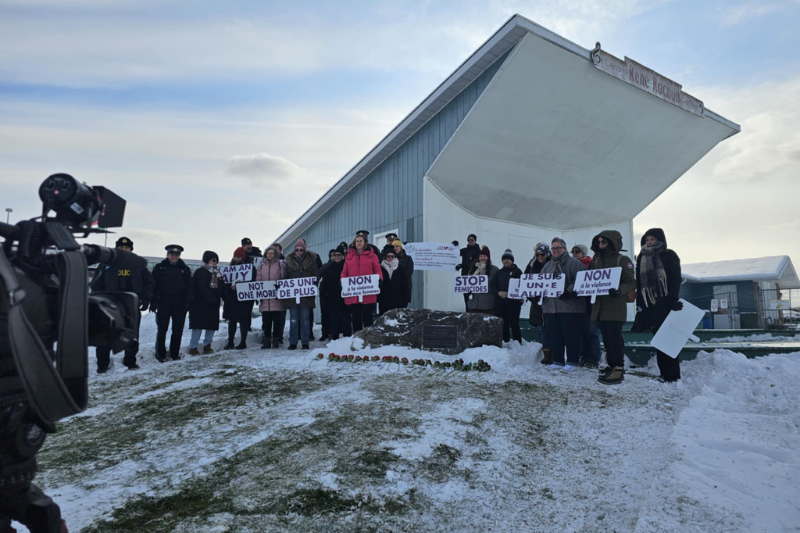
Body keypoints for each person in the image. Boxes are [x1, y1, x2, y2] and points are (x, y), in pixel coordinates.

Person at [91, 236, 153, 372]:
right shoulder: (106, 264)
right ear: (117, 249)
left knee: (132, 334)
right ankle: (103, 364)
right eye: (121, 248)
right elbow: (96, 284)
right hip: (110, 305)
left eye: (126, 248)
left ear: (131, 249)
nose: (124, 250)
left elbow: (148, 283)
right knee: (105, 333)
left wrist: (146, 299)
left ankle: (130, 361)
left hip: (131, 305)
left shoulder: (138, 265)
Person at [632, 228, 683, 382]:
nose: (649, 242)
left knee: (668, 340)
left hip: (666, 303)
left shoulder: (668, 255)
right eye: (647, 240)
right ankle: (663, 373)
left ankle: (672, 375)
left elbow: (675, 278)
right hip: (650, 305)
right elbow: (640, 282)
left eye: (652, 239)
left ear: (660, 240)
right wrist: (640, 304)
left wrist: (673, 299)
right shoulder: (642, 257)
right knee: (659, 339)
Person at [589, 231, 637, 385]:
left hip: (615, 307)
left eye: (604, 242)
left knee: (615, 338)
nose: (601, 244)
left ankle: (618, 368)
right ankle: (611, 366)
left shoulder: (622, 260)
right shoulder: (596, 261)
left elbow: (630, 281)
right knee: (607, 339)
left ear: (612, 242)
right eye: (599, 242)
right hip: (599, 308)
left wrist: (619, 290)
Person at [541, 237, 587, 371]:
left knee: (570, 334)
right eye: (553, 248)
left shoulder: (574, 263)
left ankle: (572, 361)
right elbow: (541, 281)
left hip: (569, 307)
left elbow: (581, 279)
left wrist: (569, 291)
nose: (555, 250)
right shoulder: (548, 265)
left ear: (564, 249)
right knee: (554, 335)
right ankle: (558, 360)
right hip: (550, 307)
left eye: (558, 248)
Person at [151, 244, 194, 362]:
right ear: (167, 255)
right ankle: (160, 354)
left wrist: (187, 303)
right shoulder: (159, 268)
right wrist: (153, 301)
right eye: (172, 255)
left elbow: (190, 287)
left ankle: (174, 353)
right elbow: (153, 286)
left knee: (177, 329)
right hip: (164, 301)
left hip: (179, 302)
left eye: (176, 255)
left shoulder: (185, 269)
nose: (174, 257)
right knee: (162, 329)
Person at [281, 239, 319, 350]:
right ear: (294, 250)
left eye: (301, 250)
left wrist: (314, 281)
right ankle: (293, 342)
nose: (299, 251)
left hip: (306, 296)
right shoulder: (288, 262)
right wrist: (281, 285)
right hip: (292, 296)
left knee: (305, 319)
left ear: (304, 249)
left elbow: (316, 274)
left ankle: (305, 342)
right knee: (293, 319)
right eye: (297, 249)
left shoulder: (312, 261)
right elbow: (285, 277)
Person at [342, 233, 382, 332]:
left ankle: (368, 337)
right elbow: (344, 271)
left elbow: (377, 269)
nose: (359, 243)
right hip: (354, 291)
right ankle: (357, 337)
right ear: (354, 243)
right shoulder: (349, 256)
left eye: (361, 241)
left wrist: (379, 279)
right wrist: (342, 281)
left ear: (365, 243)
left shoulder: (372, 256)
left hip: (367, 291)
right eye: (357, 241)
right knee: (355, 316)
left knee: (367, 316)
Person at [188, 251, 224, 356]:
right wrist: (211, 298)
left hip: (213, 305)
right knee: (198, 327)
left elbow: (221, 287)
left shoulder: (218, 273)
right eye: (213, 260)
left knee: (211, 327)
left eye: (217, 260)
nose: (215, 262)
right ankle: (193, 347)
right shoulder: (200, 272)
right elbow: (201, 287)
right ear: (207, 260)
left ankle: (207, 345)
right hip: (200, 304)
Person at [572, 243, 602, 368]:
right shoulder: (572, 266)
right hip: (577, 303)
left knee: (592, 332)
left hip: (590, 303)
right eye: (573, 252)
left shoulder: (590, 264)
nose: (574, 254)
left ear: (583, 253)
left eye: (577, 252)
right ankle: (583, 356)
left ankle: (594, 357)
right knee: (581, 332)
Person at [222, 247, 255, 350]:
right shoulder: (230, 267)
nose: (236, 258)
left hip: (244, 299)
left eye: (238, 256)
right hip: (232, 298)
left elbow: (252, 282)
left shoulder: (250, 267)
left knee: (243, 319)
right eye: (235, 256)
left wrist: (239, 286)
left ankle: (243, 342)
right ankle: (230, 341)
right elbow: (226, 281)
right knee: (232, 320)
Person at [524, 243, 551, 364]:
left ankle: (555, 353)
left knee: (552, 329)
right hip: (536, 303)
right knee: (542, 329)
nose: (540, 256)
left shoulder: (552, 264)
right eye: (538, 254)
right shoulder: (532, 264)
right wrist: (531, 297)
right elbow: (525, 281)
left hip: (550, 302)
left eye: (543, 254)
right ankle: (547, 354)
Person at [489, 249, 523, 343]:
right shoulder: (499, 272)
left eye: (508, 259)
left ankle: (517, 342)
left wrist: (509, 293)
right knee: (503, 324)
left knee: (514, 323)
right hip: (500, 302)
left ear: (512, 260)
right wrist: (498, 293)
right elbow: (493, 285)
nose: (506, 261)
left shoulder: (517, 271)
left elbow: (521, 285)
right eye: (504, 259)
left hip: (513, 303)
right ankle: (505, 341)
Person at [256, 246, 285, 349]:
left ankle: (276, 340)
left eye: (272, 253)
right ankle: (267, 340)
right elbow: (258, 281)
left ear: (275, 254)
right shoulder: (261, 267)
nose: (270, 255)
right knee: (266, 321)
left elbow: (283, 278)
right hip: (265, 299)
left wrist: (279, 287)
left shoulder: (280, 265)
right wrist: (258, 293)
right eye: (268, 253)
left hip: (276, 298)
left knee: (276, 321)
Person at [320, 245, 351, 340]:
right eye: (335, 255)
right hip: (332, 297)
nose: (336, 256)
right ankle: (334, 338)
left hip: (345, 297)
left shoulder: (347, 267)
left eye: (339, 255)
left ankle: (347, 338)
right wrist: (323, 296)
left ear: (343, 256)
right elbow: (323, 284)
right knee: (334, 319)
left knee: (346, 319)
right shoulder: (328, 268)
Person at [467, 246, 497, 314]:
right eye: (481, 256)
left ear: (488, 257)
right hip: (473, 304)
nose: (482, 258)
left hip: (488, 305)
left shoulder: (494, 270)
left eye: (484, 256)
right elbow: (467, 284)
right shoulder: (473, 270)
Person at [378, 250, 410, 315]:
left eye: (392, 256)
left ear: (395, 257)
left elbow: (405, 284)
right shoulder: (380, 268)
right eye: (388, 256)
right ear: (385, 257)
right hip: (384, 299)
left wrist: (406, 298)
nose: (390, 258)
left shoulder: (400, 268)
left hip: (398, 298)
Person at [456, 234, 481, 311]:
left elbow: (474, 263)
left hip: (474, 276)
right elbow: (452, 253)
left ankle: (475, 312)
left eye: (472, 240)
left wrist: (462, 265)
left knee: (474, 295)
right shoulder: (464, 251)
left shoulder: (479, 252)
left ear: (475, 241)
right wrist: (454, 245)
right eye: (469, 240)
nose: (470, 241)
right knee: (466, 295)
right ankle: (467, 312)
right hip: (464, 276)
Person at [317, 249, 336, 342]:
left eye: (335, 255)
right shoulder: (325, 266)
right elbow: (318, 276)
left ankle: (333, 332)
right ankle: (325, 333)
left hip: (335, 294)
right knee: (324, 315)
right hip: (324, 294)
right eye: (332, 255)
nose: (333, 257)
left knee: (333, 315)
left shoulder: (340, 266)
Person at [270, 242, 287, 344]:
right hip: (269, 292)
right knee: (268, 315)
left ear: (280, 251)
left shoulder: (286, 262)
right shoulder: (265, 263)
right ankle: (267, 335)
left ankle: (278, 336)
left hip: (281, 292)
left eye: (277, 250)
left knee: (280, 315)